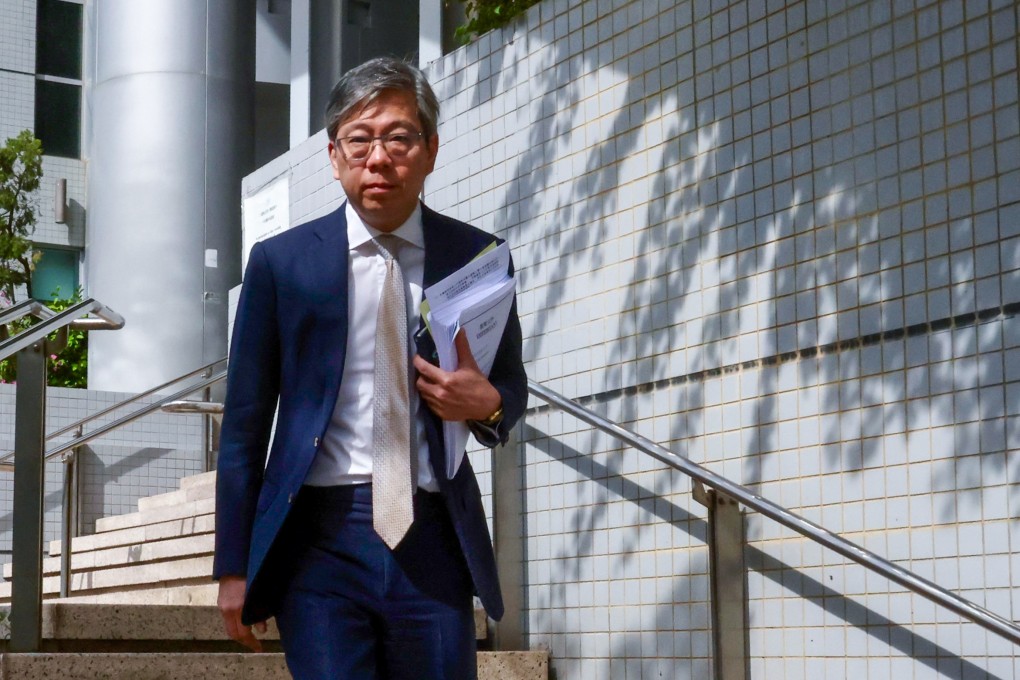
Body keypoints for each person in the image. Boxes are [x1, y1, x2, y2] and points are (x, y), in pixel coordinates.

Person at [213, 56, 527, 679]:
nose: (378, 157)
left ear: (431, 150)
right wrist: (233, 565)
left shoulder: (479, 256)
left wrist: (484, 405)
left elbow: (509, 387)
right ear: (334, 156)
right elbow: (246, 423)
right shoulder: (281, 263)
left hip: (434, 533)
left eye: (399, 137)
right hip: (318, 539)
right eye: (360, 139)